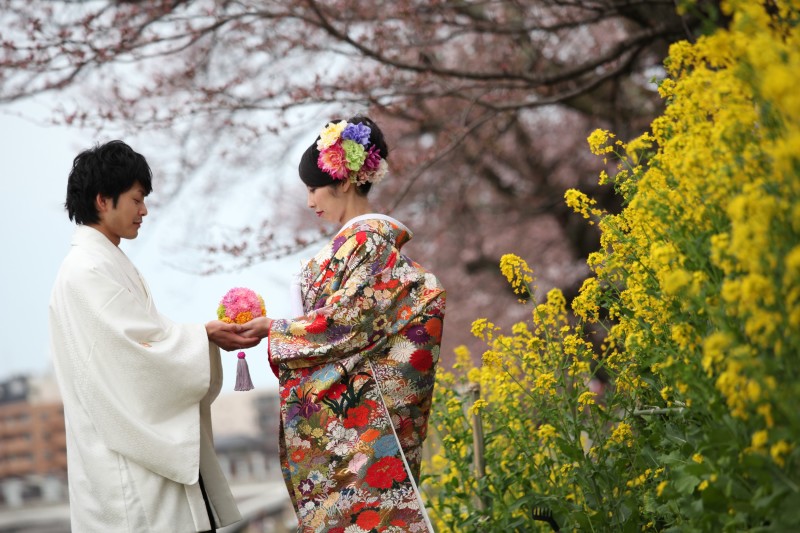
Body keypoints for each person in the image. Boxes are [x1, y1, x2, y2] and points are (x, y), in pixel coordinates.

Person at [240, 116, 446, 532]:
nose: (310, 202)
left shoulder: (368, 242)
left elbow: (346, 323)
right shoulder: (356, 244)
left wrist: (276, 330)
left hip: (363, 427)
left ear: (345, 180)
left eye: (313, 188)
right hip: (352, 421)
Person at [48, 140, 256, 532]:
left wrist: (203, 336)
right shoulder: (86, 271)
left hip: (135, 452)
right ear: (102, 200)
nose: (144, 210)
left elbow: (148, 340)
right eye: (136, 199)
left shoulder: (102, 263)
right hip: (123, 463)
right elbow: (135, 356)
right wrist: (202, 337)